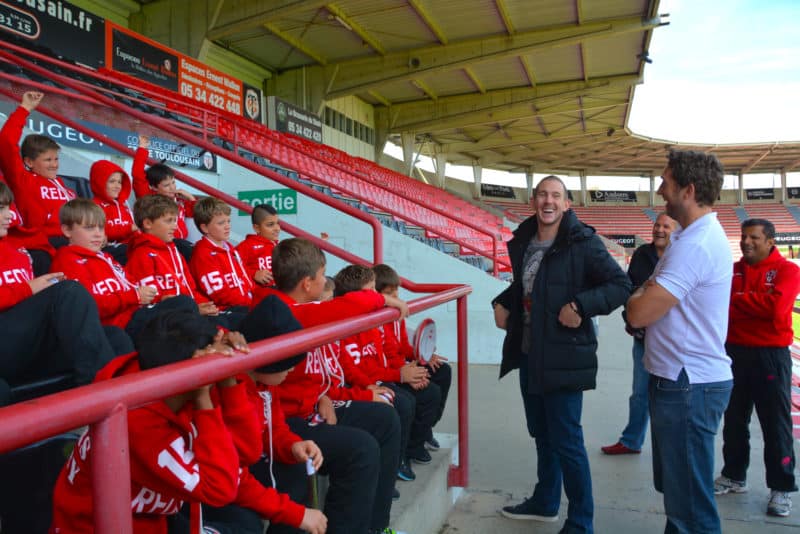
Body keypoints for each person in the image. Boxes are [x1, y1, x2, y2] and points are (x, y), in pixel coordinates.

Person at [492, 175, 630, 533]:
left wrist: (582, 306)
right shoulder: (525, 240)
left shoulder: (582, 242)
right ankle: (545, 501)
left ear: (567, 204)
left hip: (565, 356)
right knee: (542, 433)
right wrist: (502, 302)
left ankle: (581, 522)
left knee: (567, 440)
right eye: (542, 195)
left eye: (556, 196)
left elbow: (620, 285)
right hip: (529, 353)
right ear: (533, 200)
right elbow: (528, 284)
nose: (548, 201)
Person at [267, 237, 408, 534]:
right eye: (321, 275)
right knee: (361, 449)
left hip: (314, 405)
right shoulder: (284, 311)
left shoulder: (299, 307)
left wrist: (323, 397)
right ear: (307, 283)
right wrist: (384, 299)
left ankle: (375, 526)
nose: (324, 281)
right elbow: (353, 302)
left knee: (384, 418)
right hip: (285, 422)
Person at [627, 149, 733, 534]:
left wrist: (638, 295)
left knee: (690, 508)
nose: (659, 190)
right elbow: (645, 295)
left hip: (688, 384)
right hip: (682, 381)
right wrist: (644, 292)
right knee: (680, 499)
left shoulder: (693, 246)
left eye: (666, 182)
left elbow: (638, 312)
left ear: (688, 190)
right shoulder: (689, 238)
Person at [0, 182, 118, 404]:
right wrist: (27, 289)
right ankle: (100, 404)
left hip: (23, 345)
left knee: (114, 337)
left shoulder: (17, 250)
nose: (10, 216)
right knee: (69, 292)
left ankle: (132, 415)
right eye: (0, 209)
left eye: (8, 208)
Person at [714, 218, 800, 517]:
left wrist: (738, 300)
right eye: (743, 236)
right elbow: (719, 305)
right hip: (734, 352)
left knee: (775, 424)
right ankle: (734, 475)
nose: (747, 242)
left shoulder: (788, 270)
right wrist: (753, 303)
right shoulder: (734, 269)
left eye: (754, 237)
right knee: (734, 419)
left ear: (770, 241)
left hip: (770, 356)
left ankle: (781, 488)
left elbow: (777, 311)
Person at [50, 198, 205, 341]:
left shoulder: (107, 258)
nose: (98, 234)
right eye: (90, 228)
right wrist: (135, 296)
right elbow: (87, 306)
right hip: (120, 326)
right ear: (67, 230)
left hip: (137, 315)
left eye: (101, 228)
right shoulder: (67, 261)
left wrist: (157, 299)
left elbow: (134, 287)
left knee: (186, 307)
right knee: (184, 306)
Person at [333, 264, 432, 482]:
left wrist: (416, 361)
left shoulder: (374, 320)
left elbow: (386, 354)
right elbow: (351, 369)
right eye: (372, 293)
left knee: (433, 381)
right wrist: (397, 376)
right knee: (403, 404)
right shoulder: (343, 322)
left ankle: (410, 449)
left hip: (377, 378)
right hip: (353, 387)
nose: (378, 298)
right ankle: (395, 462)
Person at [602, 212, 676, 455]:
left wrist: (647, 293)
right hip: (644, 336)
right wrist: (630, 320)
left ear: (675, 231)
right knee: (640, 393)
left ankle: (669, 445)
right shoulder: (642, 254)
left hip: (672, 340)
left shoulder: (682, 255)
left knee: (671, 395)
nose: (660, 230)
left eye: (666, 226)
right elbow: (629, 289)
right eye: (657, 225)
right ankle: (632, 440)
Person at [373, 263, 452, 453]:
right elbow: (386, 357)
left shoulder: (395, 315)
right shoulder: (374, 319)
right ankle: (412, 447)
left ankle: (425, 429)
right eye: (390, 294)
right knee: (428, 392)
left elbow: (403, 346)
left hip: (402, 367)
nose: (396, 298)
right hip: (391, 373)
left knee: (442, 371)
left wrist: (422, 356)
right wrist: (409, 372)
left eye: (396, 292)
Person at [0, 91, 75, 247]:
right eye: (48, 160)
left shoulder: (63, 186)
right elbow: (6, 142)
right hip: (45, 243)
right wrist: (25, 108)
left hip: (74, 239)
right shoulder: (23, 180)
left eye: (56, 159)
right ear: (29, 162)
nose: (54, 164)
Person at [132, 134, 195, 261]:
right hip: (163, 245)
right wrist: (142, 148)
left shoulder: (179, 201)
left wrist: (191, 198)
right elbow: (137, 175)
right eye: (166, 185)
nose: (172, 187)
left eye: (173, 182)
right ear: (154, 187)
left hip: (181, 244)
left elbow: (199, 213)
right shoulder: (149, 200)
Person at [189, 197, 254, 309]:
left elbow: (246, 280)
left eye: (228, 221)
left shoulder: (229, 248)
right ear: (205, 228)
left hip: (246, 303)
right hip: (226, 310)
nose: (227, 226)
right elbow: (220, 294)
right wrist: (251, 303)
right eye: (221, 223)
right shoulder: (203, 254)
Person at [89, 159, 137, 265]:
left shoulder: (124, 207)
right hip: (108, 250)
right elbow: (100, 233)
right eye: (112, 181)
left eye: (119, 182)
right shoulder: (93, 207)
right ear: (100, 182)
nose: (117, 186)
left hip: (127, 246)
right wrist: (129, 228)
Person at [236, 203, 281, 304]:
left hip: (279, 291)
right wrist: (253, 274)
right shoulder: (246, 246)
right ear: (256, 228)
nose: (277, 228)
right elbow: (231, 269)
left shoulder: (279, 247)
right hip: (260, 296)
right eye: (270, 225)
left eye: (278, 223)